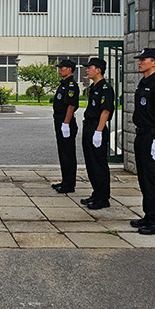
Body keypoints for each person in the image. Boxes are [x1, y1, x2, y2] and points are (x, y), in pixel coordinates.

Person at [131, 48, 155, 235]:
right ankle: (148, 215)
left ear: (154, 62)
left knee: (154, 180)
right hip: (142, 135)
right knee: (144, 179)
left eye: (143, 59)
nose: (139, 62)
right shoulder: (144, 83)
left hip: (153, 136)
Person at [80, 57, 115, 210]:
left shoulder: (105, 88)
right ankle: (96, 193)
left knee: (99, 164)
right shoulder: (94, 86)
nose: (87, 70)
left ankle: (103, 198)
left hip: (97, 128)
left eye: (90, 67)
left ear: (98, 69)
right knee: (90, 163)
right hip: (89, 127)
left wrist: (99, 131)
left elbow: (105, 111)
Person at [51, 59, 80, 194]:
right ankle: (65, 180)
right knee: (63, 153)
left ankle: (69, 184)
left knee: (68, 153)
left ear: (69, 69)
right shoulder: (64, 84)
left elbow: (71, 106)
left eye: (62, 68)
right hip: (60, 121)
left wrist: (66, 123)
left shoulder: (71, 85)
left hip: (65, 122)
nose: (59, 70)